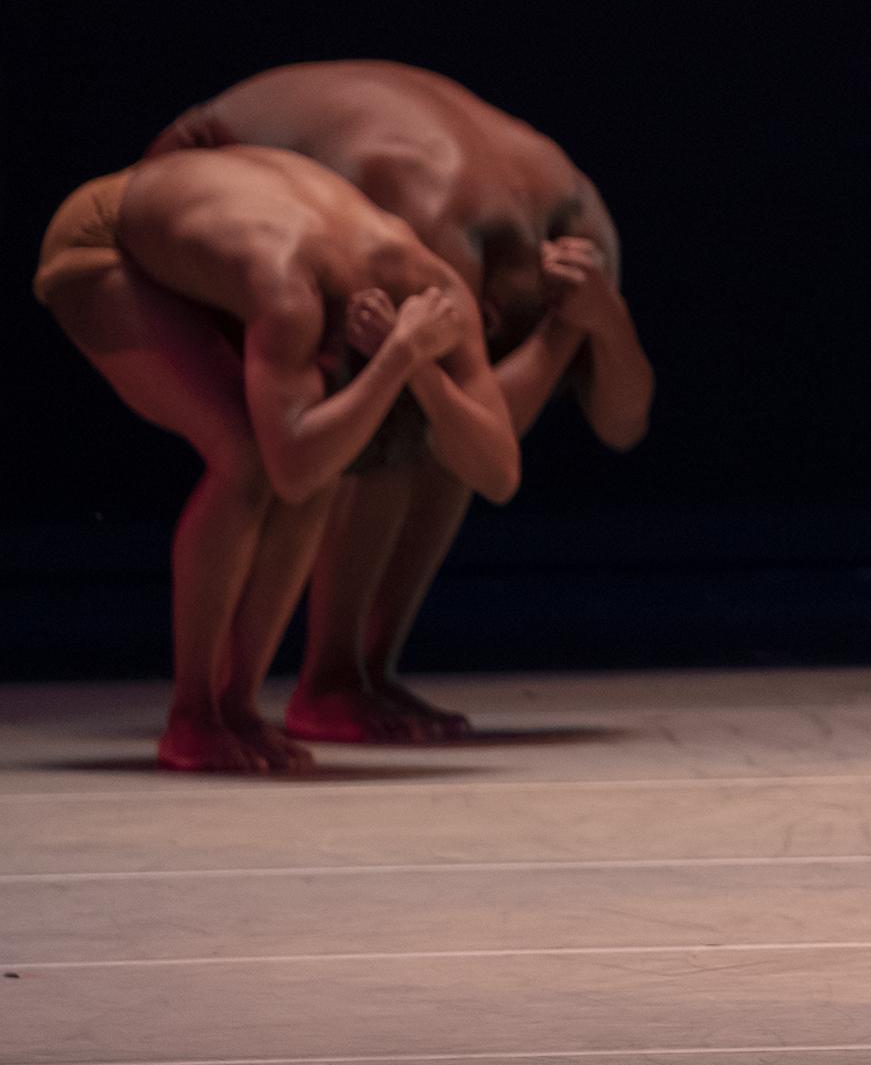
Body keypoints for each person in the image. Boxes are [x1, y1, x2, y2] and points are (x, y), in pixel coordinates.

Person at [147, 60, 652, 742]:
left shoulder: (585, 234)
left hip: (304, 187)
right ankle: (315, 682)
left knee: (429, 417)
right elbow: (474, 443)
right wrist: (557, 336)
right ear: (491, 311)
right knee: (376, 428)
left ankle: (360, 671)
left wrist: (601, 322)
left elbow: (622, 425)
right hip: (188, 167)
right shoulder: (435, 230)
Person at [31, 147, 520, 773]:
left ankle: (236, 708)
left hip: (231, 227)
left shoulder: (441, 295)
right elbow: (291, 466)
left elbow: (499, 474)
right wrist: (397, 358)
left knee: (322, 459)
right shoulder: (289, 291)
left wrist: (420, 367)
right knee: (248, 457)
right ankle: (192, 717)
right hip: (106, 240)